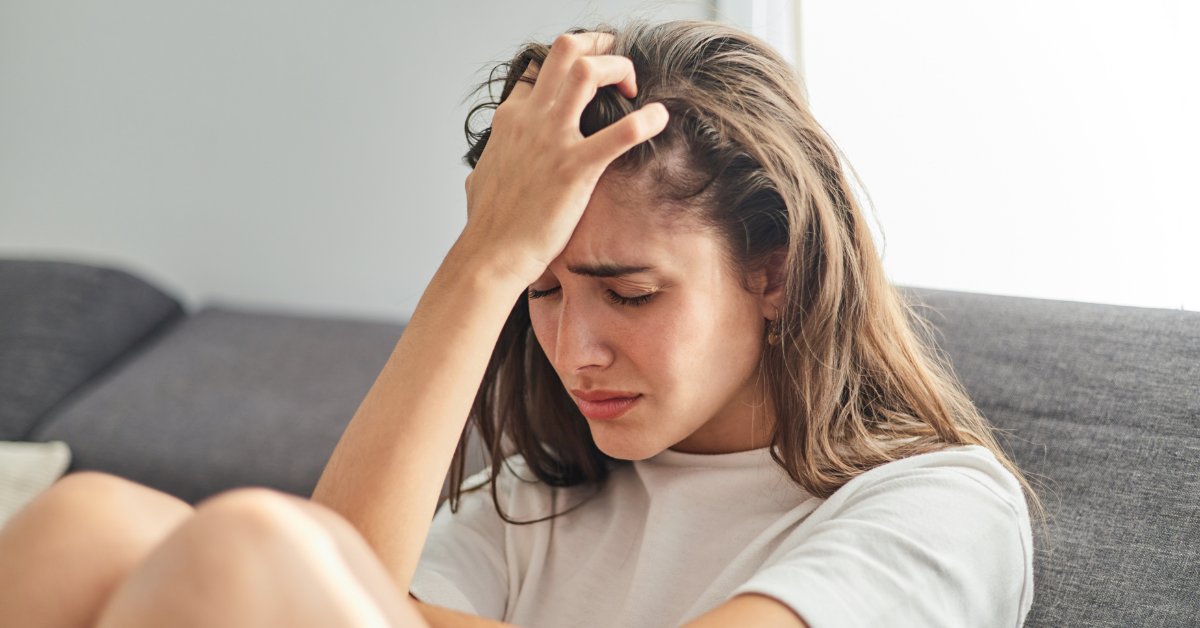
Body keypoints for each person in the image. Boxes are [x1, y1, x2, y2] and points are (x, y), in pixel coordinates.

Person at [0, 20, 1036, 628]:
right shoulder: (535, 499)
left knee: (248, 540)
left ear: (777, 270)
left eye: (629, 292)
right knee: (86, 519)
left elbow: (291, 579)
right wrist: (482, 262)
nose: (575, 347)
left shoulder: (939, 503)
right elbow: (327, 596)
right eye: (540, 291)